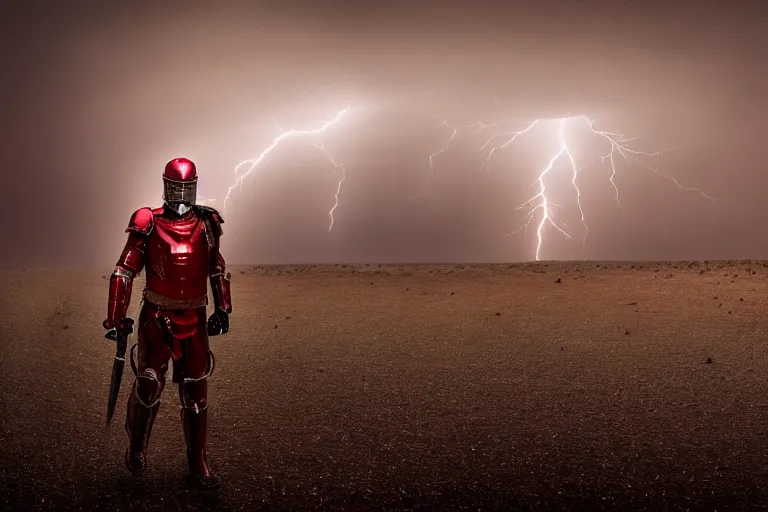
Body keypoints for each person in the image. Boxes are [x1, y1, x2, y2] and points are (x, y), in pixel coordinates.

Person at [102, 157, 232, 489]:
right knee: (148, 385)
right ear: (164, 185)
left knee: (196, 394)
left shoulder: (207, 221)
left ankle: (197, 462)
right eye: (175, 186)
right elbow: (125, 268)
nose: (180, 194)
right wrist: (116, 318)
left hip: (195, 316)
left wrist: (223, 309)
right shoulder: (148, 220)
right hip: (157, 316)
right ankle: (136, 446)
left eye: (186, 187)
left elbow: (216, 266)